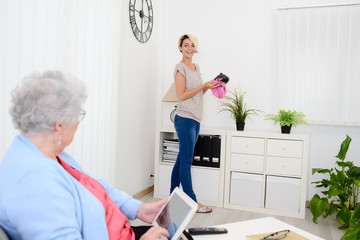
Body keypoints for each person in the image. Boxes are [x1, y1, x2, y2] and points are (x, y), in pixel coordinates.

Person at [0, 71, 169, 240]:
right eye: (77, 115)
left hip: (122, 231)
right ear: (59, 124)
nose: (77, 123)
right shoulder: (35, 180)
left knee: (172, 228)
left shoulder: (50, 154)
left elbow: (93, 186)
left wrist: (139, 209)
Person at [170, 34, 219, 214]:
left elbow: (196, 95)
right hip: (184, 119)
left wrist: (207, 87)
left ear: (195, 49)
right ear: (180, 48)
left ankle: (171, 198)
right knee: (185, 161)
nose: (189, 48)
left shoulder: (196, 68)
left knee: (180, 161)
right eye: (185, 45)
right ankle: (192, 202)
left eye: (192, 45)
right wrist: (202, 85)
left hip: (195, 119)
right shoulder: (180, 68)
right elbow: (181, 95)